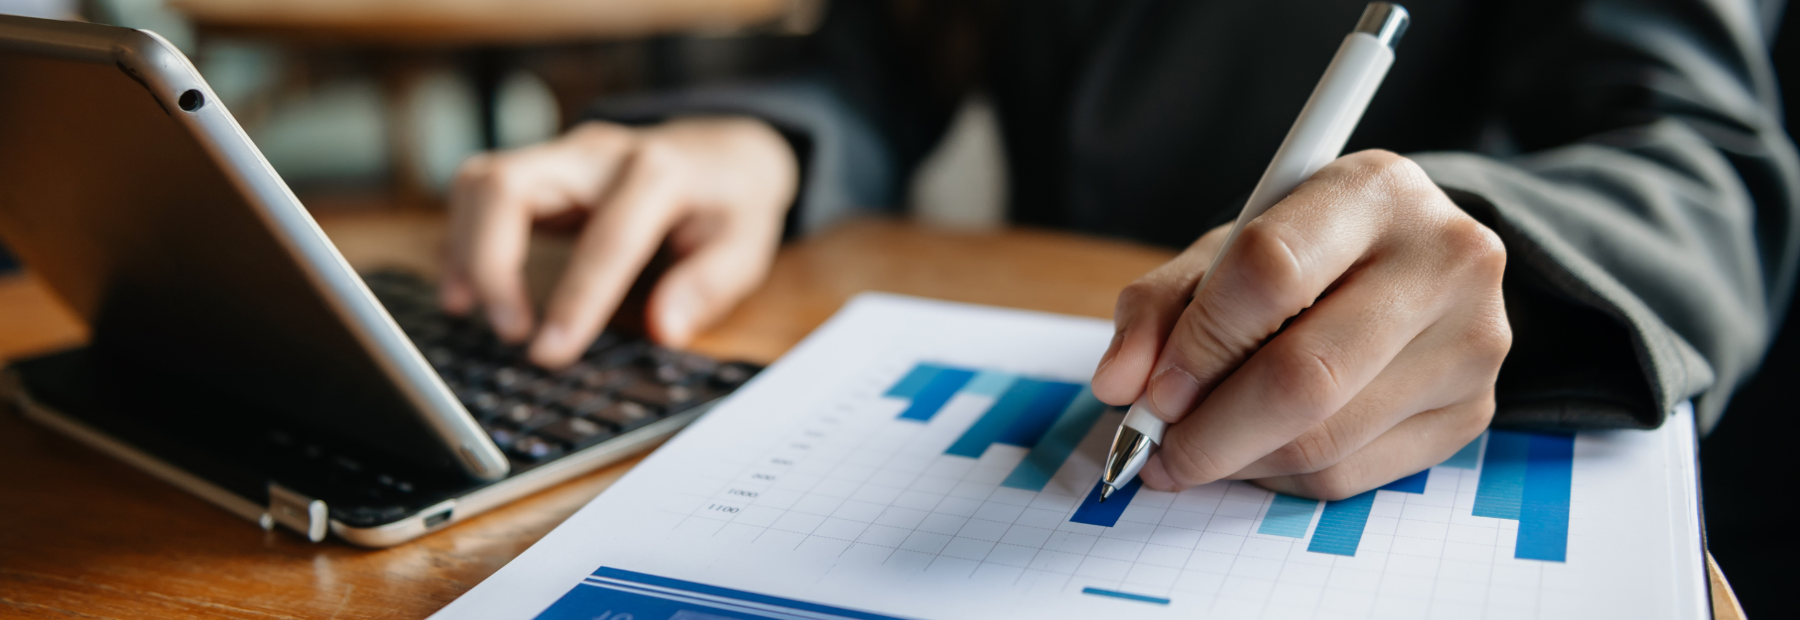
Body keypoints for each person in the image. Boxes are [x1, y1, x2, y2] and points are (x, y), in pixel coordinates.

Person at [439, 0, 1800, 501]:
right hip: (1070, 384)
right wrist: (759, 136)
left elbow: (1701, 166)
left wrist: (1481, 242)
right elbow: (884, 50)